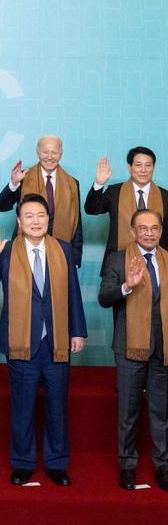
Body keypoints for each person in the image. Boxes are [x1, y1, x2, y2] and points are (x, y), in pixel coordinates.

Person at [0, 193, 86, 486]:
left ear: (48, 219)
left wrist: (77, 331)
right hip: (20, 341)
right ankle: (23, 463)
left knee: (57, 406)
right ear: (19, 221)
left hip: (57, 341)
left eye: (41, 216)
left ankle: (56, 463)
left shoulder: (63, 249)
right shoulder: (7, 250)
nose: (35, 221)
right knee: (22, 407)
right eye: (29, 216)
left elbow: (73, 293)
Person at [97, 209, 168, 490]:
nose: (149, 233)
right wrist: (127, 286)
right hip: (129, 347)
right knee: (128, 411)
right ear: (132, 231)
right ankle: (127, 465)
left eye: (155, 228)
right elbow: (104, 297)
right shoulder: (117, 259)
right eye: (143, 228)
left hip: (163, 348)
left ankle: (163, 465)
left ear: (161, 231)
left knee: (161, 412)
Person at [0, 136, 83, 268]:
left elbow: (76, 222)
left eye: (54, 152)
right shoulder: (24, 178)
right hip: (26, 249)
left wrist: (75, 257)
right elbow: (1, 206)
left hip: (60, 251)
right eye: (45, 152)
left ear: (61, 154)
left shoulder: (72, 183)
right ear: (37, 153)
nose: (49, 157)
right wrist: (14, 183)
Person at [86, 147, 168, 268]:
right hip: (118, 263)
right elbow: (91, 210)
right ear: (129, 168)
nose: (143, 170)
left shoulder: (164, 196)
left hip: (157, 264)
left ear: (153, 168)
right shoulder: (114, 192)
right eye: (138, 165)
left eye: (148, 165)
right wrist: (99, 184)